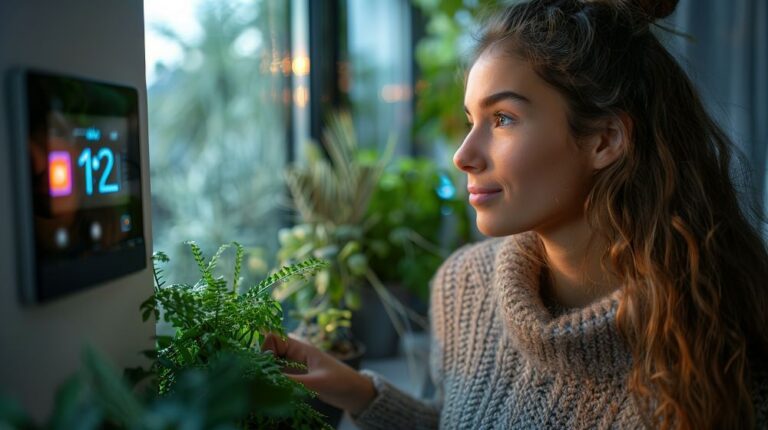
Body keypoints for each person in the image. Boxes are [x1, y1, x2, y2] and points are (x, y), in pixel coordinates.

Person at [262, 0, 768, 428]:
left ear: (605, 140)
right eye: (470, 120)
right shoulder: (463, 288)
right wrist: (358, 392)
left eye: (502, 119)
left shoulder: (723, 338)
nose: (463, 155)